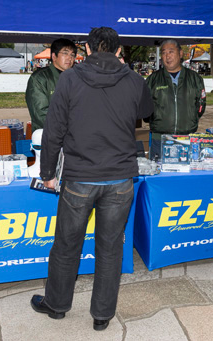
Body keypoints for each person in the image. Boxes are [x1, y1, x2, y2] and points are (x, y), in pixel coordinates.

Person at [31, 27, 153, 331]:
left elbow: (53, 129)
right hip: (120, 179)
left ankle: (57, 305)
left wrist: (48, 174)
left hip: (80, 178)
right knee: (110, 248)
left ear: (87, 48)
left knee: (66, 245)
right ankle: (102, 315)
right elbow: (149, 111)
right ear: (117, 50)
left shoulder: (71, 78)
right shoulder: (133, 79)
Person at [146, 39, 206, 160]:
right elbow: (145, 109)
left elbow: (201, 106)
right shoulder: (153, 80)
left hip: (187, 139)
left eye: (171, 51)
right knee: (160, 176)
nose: (167, 56)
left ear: (180, 54)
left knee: (184, 177)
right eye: (163, 52)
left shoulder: (195, 79)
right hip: (160, 140)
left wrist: (191, 119)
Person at [25, 38, 77, 130]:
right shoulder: (39, 78)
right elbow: (41, 114)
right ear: (54, 56)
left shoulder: (76, 78)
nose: (70, 58)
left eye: (72, 55)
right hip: (48, 136)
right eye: (65, 53)